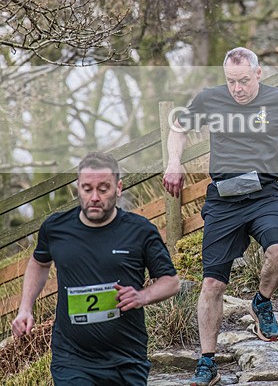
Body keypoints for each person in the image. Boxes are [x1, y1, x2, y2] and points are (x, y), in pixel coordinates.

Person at [163, 47, 278, 386]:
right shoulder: (210, 99)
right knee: (213, 284)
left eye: (243, 81)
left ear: (258, 74)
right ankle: (207, 363)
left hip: (264, 193)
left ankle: (262, 303)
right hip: (224, 200)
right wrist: (173, 162)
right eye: (231, 82)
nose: (237, 89)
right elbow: (177, 128)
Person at [12, 152, 180, 385]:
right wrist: (25, 308)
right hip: (72, 358)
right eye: (87, 188)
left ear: (118, 188)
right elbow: (39, 262)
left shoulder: (140, 230)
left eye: (103, 188)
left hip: (127, 358)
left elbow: (171, 281)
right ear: (77, 189)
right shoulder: (56, 228)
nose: (94, 197)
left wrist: (142, 296)